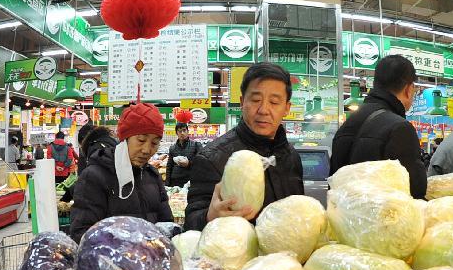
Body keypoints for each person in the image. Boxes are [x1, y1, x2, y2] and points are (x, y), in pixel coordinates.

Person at [184, 63, 303, 231]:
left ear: (286, 108)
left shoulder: (291, 156)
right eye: (255, 100)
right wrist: (209, 216)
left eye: (274, 102)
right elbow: (191, 224)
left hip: (287, 256)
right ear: (242, 102)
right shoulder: (211, 158)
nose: (263, 110)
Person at [69, 102, 172, 241]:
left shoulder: (152, 176)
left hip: (150, 260)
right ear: (125, 139)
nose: (147, 150)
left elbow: (167, 224)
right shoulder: (94, 176)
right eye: (141, 140)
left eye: (154, 143)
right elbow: (82, 234)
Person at [330, 55, 426, 198]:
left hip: (344, 217)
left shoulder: (347, 124)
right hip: (383, 218)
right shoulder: (400, 128)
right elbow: (415, 191)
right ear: (408, 89)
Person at [166, 122, 200, 188]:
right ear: (176, 133)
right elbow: (169, 166)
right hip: (175, 181)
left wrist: (189, 163)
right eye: (179, 131)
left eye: (184, 130)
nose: (182, 133)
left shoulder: (196, 145)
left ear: (188, 131)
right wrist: (167, 184)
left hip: (190, 181)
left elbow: (201, 162)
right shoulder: (172, 148)